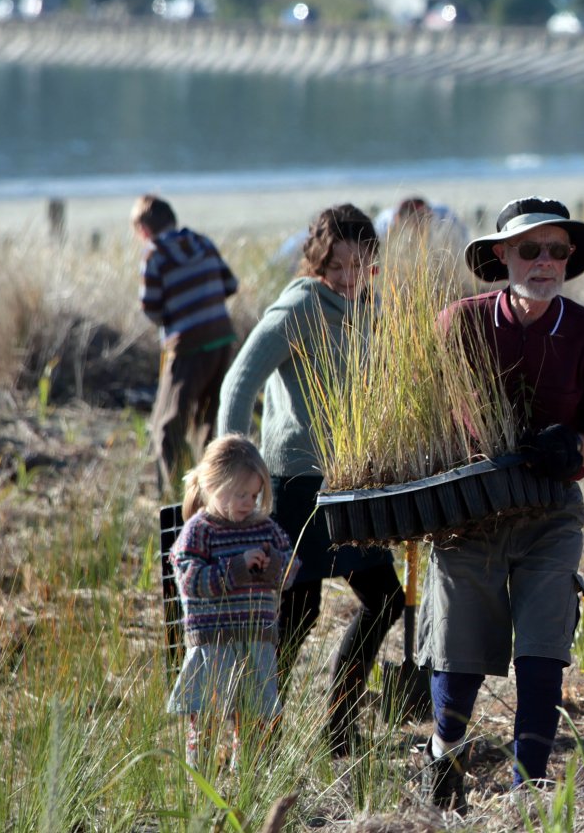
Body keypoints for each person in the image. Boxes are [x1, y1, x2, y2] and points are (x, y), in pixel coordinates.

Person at [423, 197, 584, 808]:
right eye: (529, 249)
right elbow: (416, 426)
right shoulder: (457, 324)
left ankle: (527, 792)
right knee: (457, 656)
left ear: (571, 258)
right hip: (467, 515)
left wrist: (576, 448)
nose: (544, 263)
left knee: (543, 654)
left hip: (551, 514)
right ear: (500, 256)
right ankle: (444, 766)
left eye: (557, 251)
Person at [217, 204, 402, 757]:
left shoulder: (366, 308)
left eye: (360, 263)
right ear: (318, 259)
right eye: (337, 264)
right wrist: (232, 472)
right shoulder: (300, 305)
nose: (348, 276)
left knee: (385, 600)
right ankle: (255, 738)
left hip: (350, 481)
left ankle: (339, 728)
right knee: (298, 612)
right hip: (299, 483)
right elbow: (238, 384)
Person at [166, 434, 297, 770]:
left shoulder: (265, 528)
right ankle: (201, 787)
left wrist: (273, 567)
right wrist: (237, 567)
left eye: (254, 495)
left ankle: (247, 785)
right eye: (241, 494)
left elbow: (290, 569)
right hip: (214, 644)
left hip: (256, 640)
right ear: (213, 485)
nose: (248, 503)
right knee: (206, 719)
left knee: (253, 718)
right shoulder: (199, 531)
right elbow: (190, 581)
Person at [134, 194, 240, 497]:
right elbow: (230, 284)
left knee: (167, 426)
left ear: (143, 229)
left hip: (187, 345)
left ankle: (185, 500)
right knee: (210, 422)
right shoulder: (202, 242)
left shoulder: (153, 254)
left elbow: (150, 307)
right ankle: (219, 493)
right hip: (222, 338)